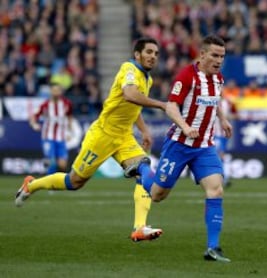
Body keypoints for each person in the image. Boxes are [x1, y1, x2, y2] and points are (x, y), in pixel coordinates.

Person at [15, 37, 167, 242]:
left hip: (124, 136)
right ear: (137, 54)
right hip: (103, 135)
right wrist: (162, 105)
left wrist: (145, 130)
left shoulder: (147, 79)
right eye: (149, 52)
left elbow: (133, 107)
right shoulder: (129, 69)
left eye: (156, 54)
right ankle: (31, 185)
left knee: (144, 168)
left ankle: (139, 227)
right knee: (74, 181)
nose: (153, 56)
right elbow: (130, 95)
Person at [124, 35, 232, 262]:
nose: (219, 60)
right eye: (214, 55)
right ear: (202, 55)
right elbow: (172, 105)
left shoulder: (218, 79)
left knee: (216, 190)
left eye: (222, 56)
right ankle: (142, 170)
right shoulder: (187, 76)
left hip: (204, 146)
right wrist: (184, 126)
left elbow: (216, 100)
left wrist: (222, 119)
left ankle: (213, 248)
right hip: (179, 145)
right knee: (157, 195)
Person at [30, 83, 72, 174]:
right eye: (54, 90)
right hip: (48, 137)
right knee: (51, 162)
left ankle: (57, 182)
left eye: (58, 90)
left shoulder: (66, 104)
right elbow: (34, 116)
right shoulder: (45, 105)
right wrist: (34, 125)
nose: (56, 92)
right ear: (51, 92)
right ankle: (50, 186)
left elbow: (69, 117)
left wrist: (69, 131)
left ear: (61, 92)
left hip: (61, 138)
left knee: (63, 165)